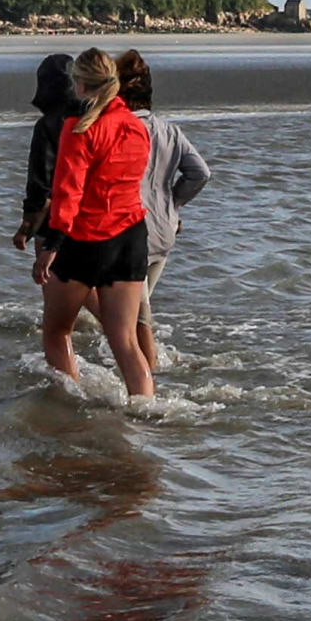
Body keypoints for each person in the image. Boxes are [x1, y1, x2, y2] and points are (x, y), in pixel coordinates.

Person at [38, 45, 155, 400]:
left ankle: (70, 402)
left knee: (57, 331)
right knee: (125, 341)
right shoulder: (136, 127)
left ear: (81, 86)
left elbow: (67, 194)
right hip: (130, 238)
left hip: (84, 239)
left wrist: (50, 248)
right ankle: (146, 411)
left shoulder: (79, 128)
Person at [116, 49, 213, 382]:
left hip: (132, 234)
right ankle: (145, 373)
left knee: (140, 322)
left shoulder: (120, 130)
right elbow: (201, 173)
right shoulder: (170, 131)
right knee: (134, 314)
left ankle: (149, 389)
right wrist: (174, 203)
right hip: (166, 231)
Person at [9, 53, 75, 289]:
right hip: (92, 218)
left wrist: (26, 228)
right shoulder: (90, 119)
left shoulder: (48, 125)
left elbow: (41, 186)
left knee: (55, 288)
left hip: (55, 223)